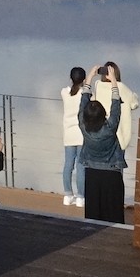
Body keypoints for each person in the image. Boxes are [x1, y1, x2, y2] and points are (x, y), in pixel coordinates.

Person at [79, 89, 129, 223]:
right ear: (103, 114)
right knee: (113, 210)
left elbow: (82, 107)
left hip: (91, 172)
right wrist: (113, 82)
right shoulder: (109, 128)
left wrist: (88, 82)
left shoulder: (83, 127)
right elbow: (116, 110)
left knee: (93, 211)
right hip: (111, 172)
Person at [60, 65, 90, 206]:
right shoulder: (85, 94)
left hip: (68, 134)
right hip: (82, 134)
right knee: (81, 166)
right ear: (83, 79)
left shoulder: (64, 93)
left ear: (71, 78)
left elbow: (70, 90)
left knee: (68, 165)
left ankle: (67, 195)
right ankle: (80, 197)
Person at [94, 60, 139, 152]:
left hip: (101, 131)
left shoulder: (98, 86)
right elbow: (134, 103)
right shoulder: (121, 87)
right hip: (118, 134)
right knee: (117, 163)